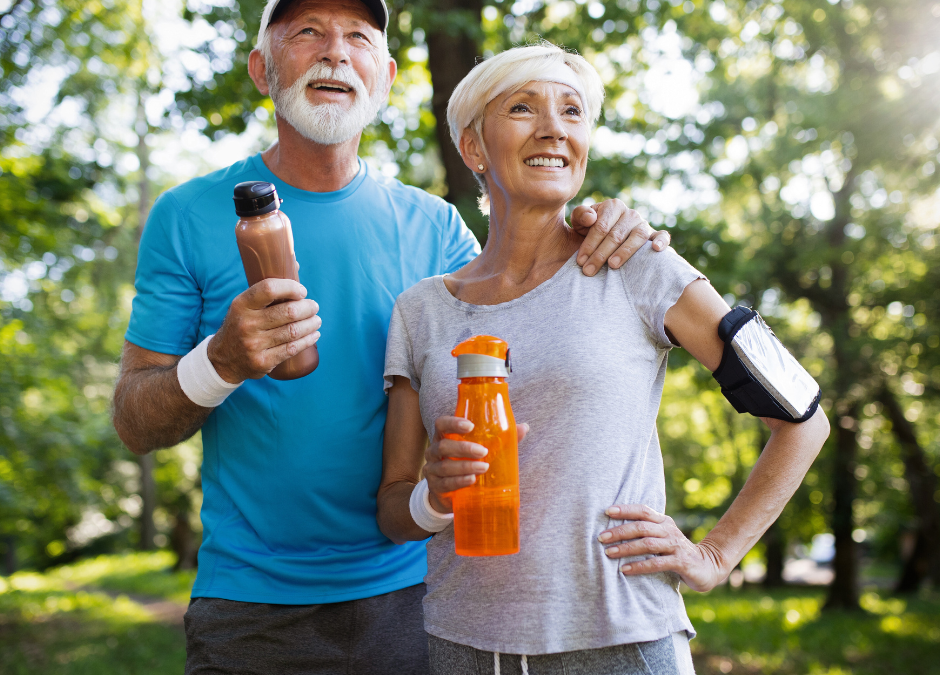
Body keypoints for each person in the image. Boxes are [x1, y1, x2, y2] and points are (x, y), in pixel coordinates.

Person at [111, 1, 670, 672]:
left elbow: (538, 311)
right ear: (262, 69)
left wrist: (598, 219)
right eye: (308, 33)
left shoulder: (437, 230)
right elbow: (134, 422)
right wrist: (220, 361)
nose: (335, 52)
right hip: (249, 606)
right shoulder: (187, 215)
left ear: (385, 77)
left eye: (358, 37)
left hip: (417, 596)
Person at [378, 43, 830, 674]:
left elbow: (802, 418)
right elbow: (395, 511)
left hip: (622, 640)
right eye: (521, 107)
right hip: (465, 645)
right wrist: (435, 495)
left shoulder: (637, 264)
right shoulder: (420, 312)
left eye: (571, 111)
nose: (553, 128)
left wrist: (716, 556)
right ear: (473, 147)